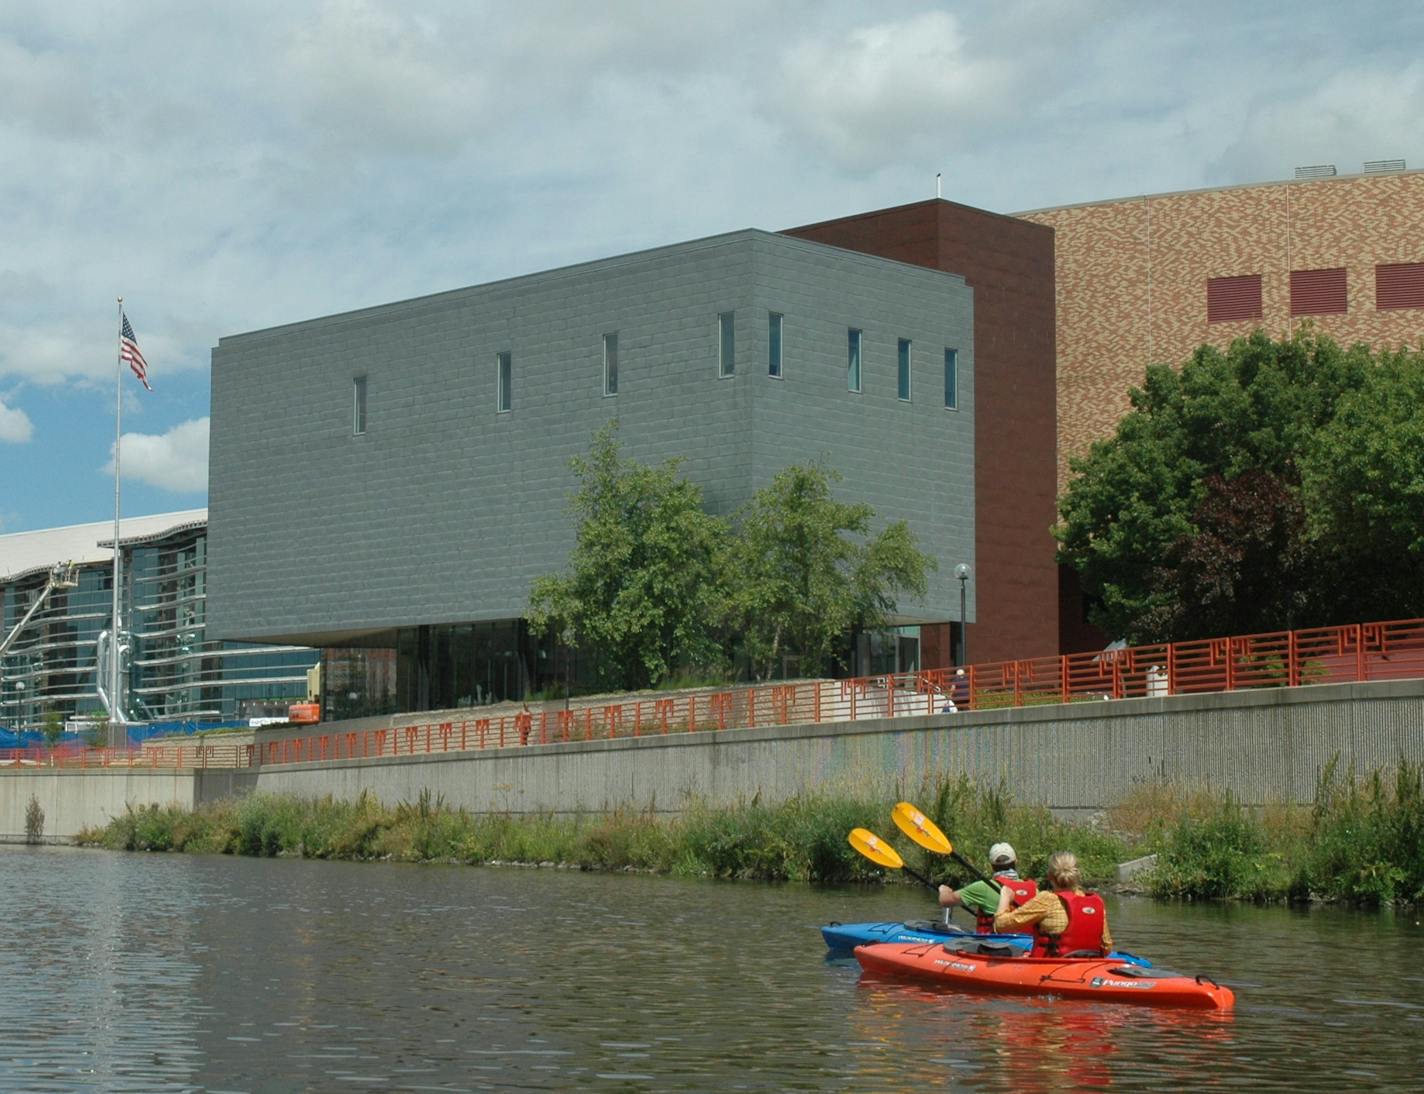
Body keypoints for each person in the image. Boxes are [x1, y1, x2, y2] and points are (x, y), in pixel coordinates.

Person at [993, 850, 1112, 956]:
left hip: (1053, 966)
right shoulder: (1095, 902)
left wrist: (1005, 897)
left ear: (1049, 876)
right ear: (1077, 875)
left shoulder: (1046, 899)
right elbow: (1106, 947)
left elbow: (1000, 926)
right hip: (1089, 965)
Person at [938, 842, 1038, 933]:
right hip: (1027, 946)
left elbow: (945, 901)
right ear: (1016, 862)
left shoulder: (983, 887)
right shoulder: (1034, 889)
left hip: (993, 946)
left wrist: (943, 890)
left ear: (991, 866)